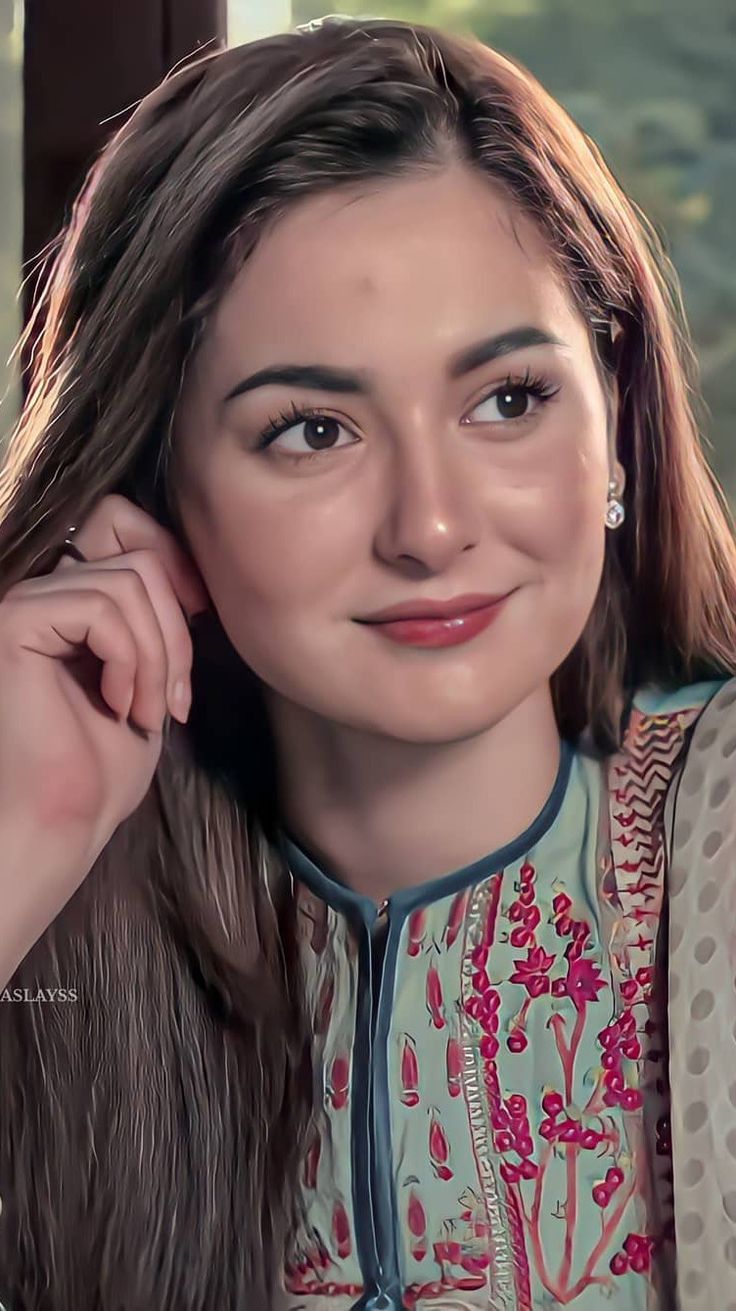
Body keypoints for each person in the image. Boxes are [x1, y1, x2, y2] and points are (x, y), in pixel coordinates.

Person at [0, 12, 734, 1310]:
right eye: (313, 430)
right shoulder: (58, 935)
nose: (433, 527)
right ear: (159, 486)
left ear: (614, 417)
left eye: (508, 400)